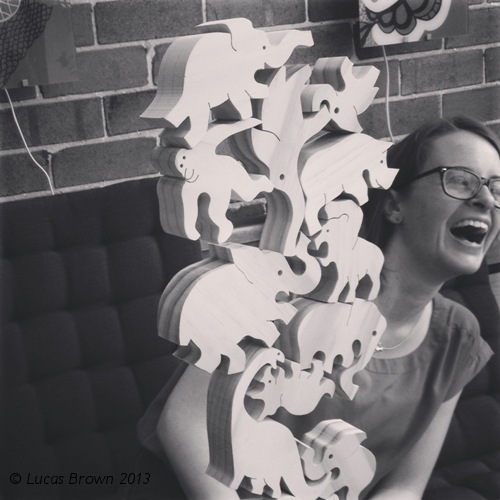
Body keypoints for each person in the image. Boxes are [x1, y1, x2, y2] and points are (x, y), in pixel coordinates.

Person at [136, 116, 500, 500]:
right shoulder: (290, 289)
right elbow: (184, 423)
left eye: (496, 187)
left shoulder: (458, 338)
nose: (487, 200)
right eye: (461, 180)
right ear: (395, 205)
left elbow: (405, 485)